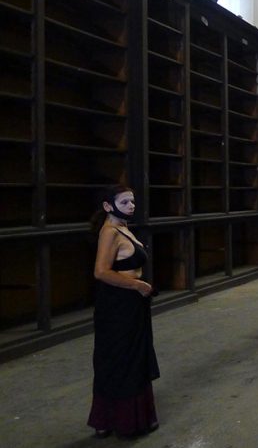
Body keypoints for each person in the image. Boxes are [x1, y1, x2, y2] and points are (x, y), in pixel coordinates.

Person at [88, 185, 160, 438]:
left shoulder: (123, 227)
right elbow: (101, 272)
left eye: (132, 201)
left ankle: (121, 418)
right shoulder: (109, 232)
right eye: (125, 202)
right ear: (108, 206)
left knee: (131, 357)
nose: (131, 206)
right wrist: (138, 285)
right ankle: (119, 420)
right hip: (118, 304)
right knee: (120, 358)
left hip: (131, 303)